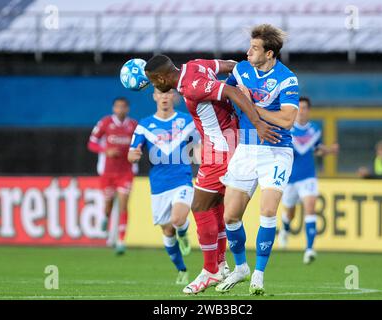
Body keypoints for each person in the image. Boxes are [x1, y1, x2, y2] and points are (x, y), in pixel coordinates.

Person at [144, 54, 280, 294]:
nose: (155, 86)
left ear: (162, 77)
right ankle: (220, 264)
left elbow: (232, 93)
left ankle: (211, 270)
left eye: (154, 82)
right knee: (215, 206)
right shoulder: (195, 65)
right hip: (222, 146)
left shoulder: (191, 86)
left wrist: (257, 121)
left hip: (222, 151)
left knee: (199, 205)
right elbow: (232, 66)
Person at [215, 24, 299, 295]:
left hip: (276, 150)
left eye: (254, 48)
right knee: (230, 216)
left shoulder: (287, 79)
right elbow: (227, 94)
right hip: (246, 149)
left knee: (267, 211)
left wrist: (253, 107)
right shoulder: (241, 69)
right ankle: (241, 268)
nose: (248, 51)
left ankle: (259, 275)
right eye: (249, 46)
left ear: (270, 53)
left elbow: (287, 120)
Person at [128, 88, 197, 285]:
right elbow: (131, 152)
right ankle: (181, 269)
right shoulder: (144, 125)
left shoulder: (187, 121)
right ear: (154, 97)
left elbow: (199, 144)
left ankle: (183, 233)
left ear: (174, 97)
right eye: (161, 93)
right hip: (159, 185)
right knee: (167, 232)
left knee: (178, 218)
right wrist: (133, 155)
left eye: (168, 94)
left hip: (182, 179)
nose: (165, 97)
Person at [278, 96, 339, 264]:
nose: (302, 111)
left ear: (308, 110)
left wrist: (329, 151)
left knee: (310, 208)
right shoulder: (287, 128)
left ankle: (309, 249)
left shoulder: (315, 130)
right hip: (290, 178)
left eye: (305, 108)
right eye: (299, 108)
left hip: (308, 176)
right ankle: (285, 228)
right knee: (290, 212)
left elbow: (316, 148)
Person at [87, 97, 137, 255]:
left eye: (123, 107)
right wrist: (105, 151)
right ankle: (105, 215)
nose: (120, 110)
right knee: (108, 203)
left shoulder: (133, 125)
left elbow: (141, 143)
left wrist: (136, 152)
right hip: (107, 172)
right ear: (113, 108)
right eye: (118, 107)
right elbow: (91, 143)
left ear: (127, 109)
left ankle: (121, 241)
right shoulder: (105, 123)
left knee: (123, 204)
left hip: (126, 172)